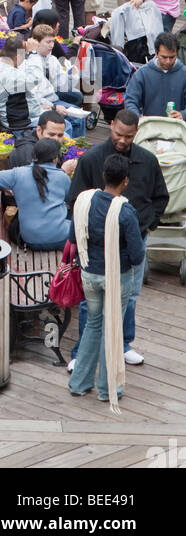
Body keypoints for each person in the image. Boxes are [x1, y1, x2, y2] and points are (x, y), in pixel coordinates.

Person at [66, 109, 169, 369]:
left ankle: (122, 344)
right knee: (90, 301)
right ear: (110, 125)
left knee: (130, 296)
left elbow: (160, 196)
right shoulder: (91, 159)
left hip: (134, 240)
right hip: (96, 243)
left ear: (137, 134)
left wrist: (149, 223)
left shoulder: (147, 160)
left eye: (129, 137)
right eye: (118, 134)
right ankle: (81, 352)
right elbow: (74, 201)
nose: (122, 141)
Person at [68, 154, 146, 405]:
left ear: (103, 176)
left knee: (93, 324)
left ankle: (79, 383)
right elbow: (136, 255)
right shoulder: (125, 211)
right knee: (113, 330)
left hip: (89, 273)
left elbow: (73, 235)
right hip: (116, 277)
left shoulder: (84, 200)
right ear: (125, 181)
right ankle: (107, 389)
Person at [0, 139, 71, 249]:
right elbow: (72, 200)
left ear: (33, 155)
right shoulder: (62, 177)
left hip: (30, 239)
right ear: (55, 158)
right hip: (61, 238)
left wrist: (8, 187)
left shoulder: (18, 174)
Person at [125, 30, 186, 118]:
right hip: (150, 127)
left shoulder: (184, 74)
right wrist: (138, 117)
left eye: (172, 57)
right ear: (156, 53)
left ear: (177, 53)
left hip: (178, 128)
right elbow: (130, 101)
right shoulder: (142, 74)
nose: (168, 61)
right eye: (164, 57)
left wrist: (183, 115)